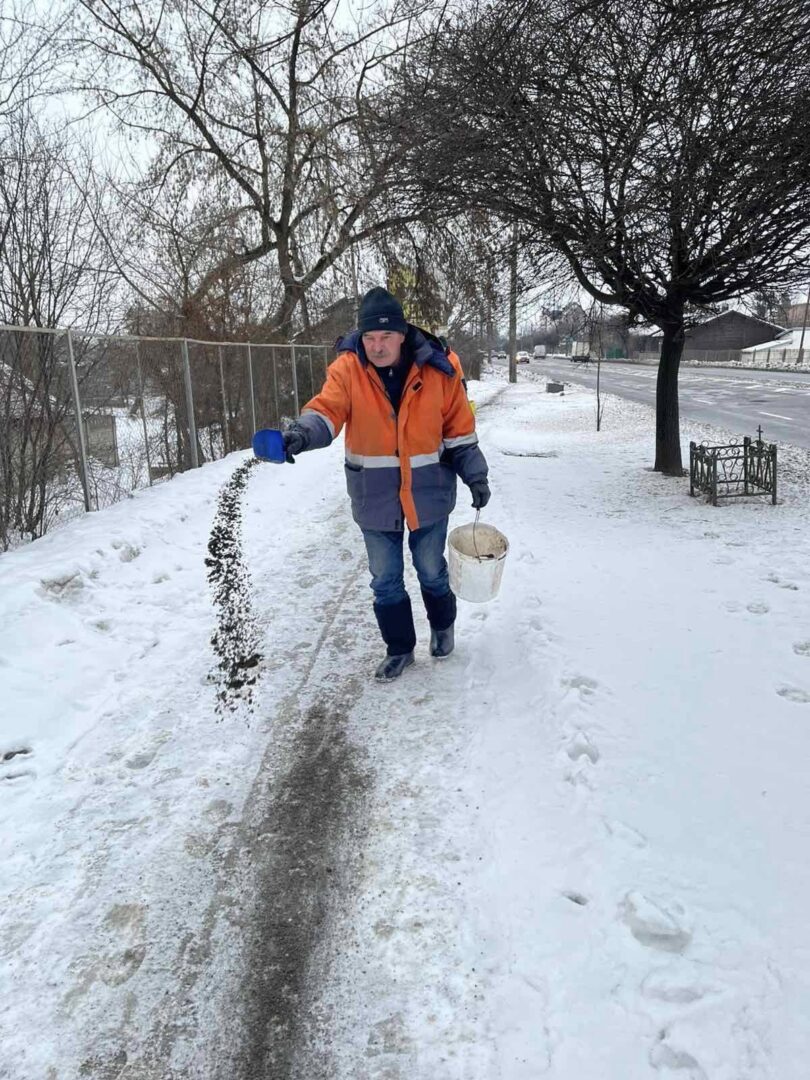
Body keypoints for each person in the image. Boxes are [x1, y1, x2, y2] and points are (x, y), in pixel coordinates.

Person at [281, 287, 490, 681]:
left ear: (402, 333)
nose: (376, 347)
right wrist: (301, 434)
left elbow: (459, 431)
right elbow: (326, 412)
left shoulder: (440, 367)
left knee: (431, 571)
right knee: (385, 579)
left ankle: (442, 628)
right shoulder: (347, 370)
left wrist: (475, 473)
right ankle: (400, 649)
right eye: (369, 338)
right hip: (374, 497)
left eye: (385, 337)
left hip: (429, 493)